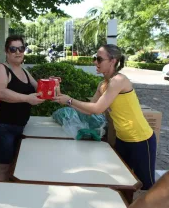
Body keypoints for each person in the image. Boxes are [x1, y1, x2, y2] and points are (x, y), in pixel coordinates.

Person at [53, 44, 157, 190]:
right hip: (122, 139)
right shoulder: (103, 84)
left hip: (141, 139)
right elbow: (89, 110)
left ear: (113, 61)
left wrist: (69, 100)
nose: (95, 62)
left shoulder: (119, 80)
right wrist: (62, 96)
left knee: (146, 186)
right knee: (122, 181)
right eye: (95, 58)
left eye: (99, 59)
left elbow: (98, 109)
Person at [0, 35, 44, 181]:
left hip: (21, 127)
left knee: (16, 166)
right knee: (3, 167)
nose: (18, 52)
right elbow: (0, 92)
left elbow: (38, 88)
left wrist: (51, 86)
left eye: (21, 48)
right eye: (13, 49)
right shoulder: (1, 68)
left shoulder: (24, 71)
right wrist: (27, 98)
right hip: (3, 127)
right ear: (6, 52)